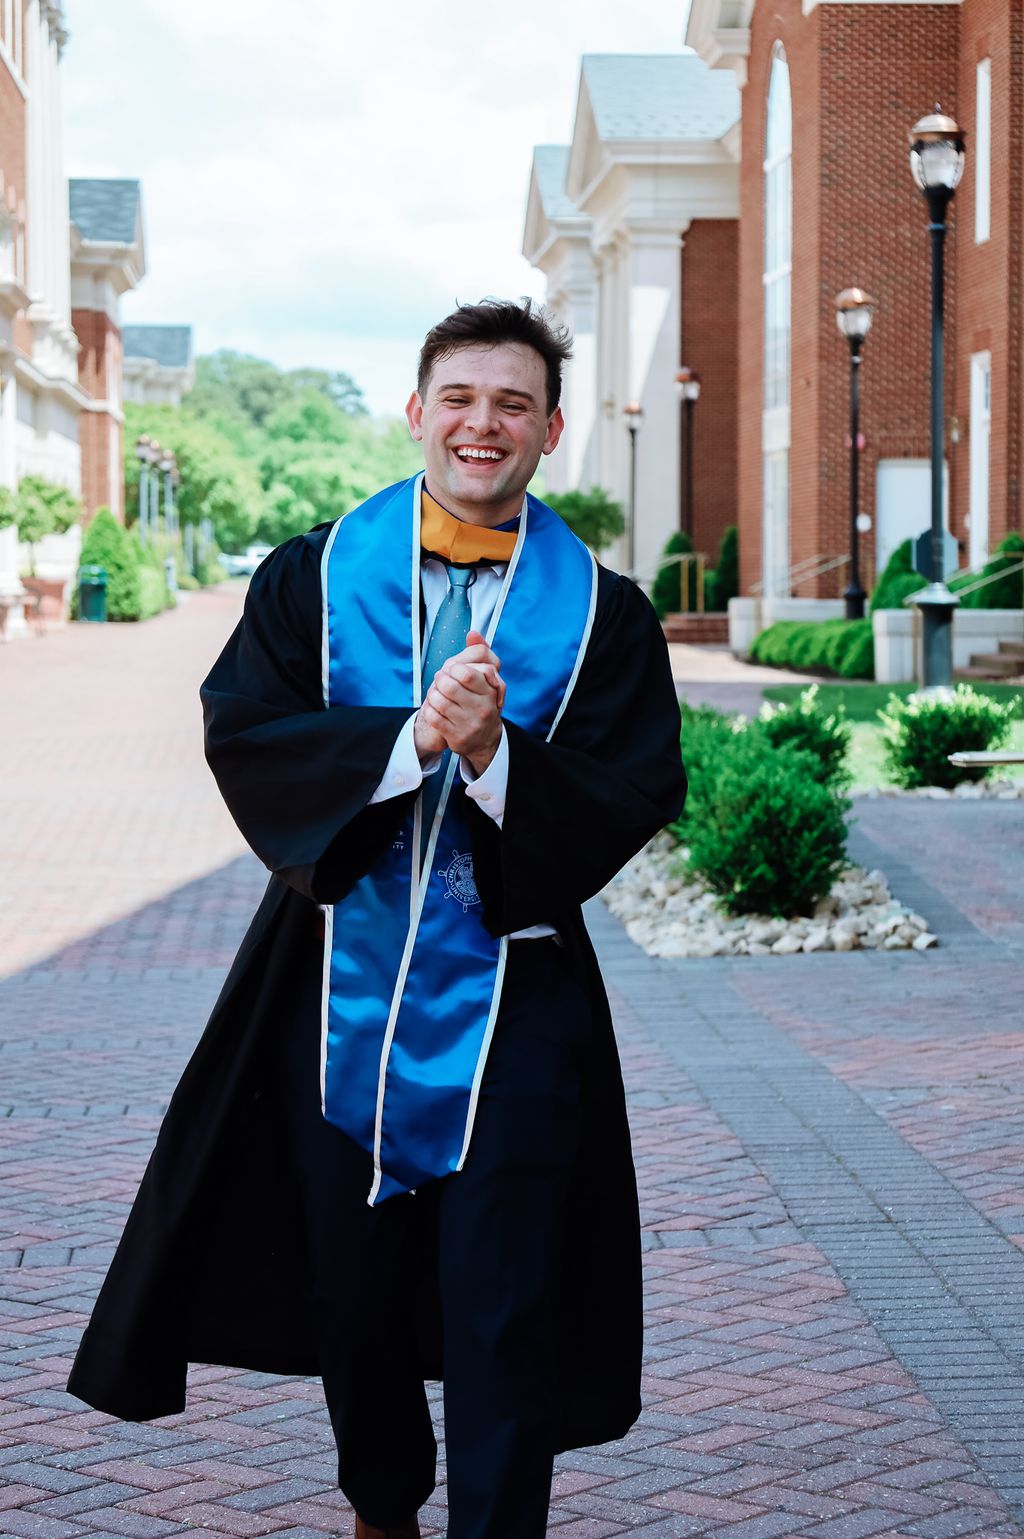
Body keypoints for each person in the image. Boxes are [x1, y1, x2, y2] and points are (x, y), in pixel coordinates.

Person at [67, 298, 686, 1538]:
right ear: (416, 412)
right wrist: (409, 738)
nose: (482, 423)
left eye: (513, 402)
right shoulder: (314, 574)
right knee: (355, 1291)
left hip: (517, 1005)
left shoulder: (604, 613)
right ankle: (382, 1509)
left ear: (550, 429)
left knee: (503, 1294)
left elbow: (634, 787)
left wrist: (498, 755)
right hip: (327, 986)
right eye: (459, 397)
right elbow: (245, 729)